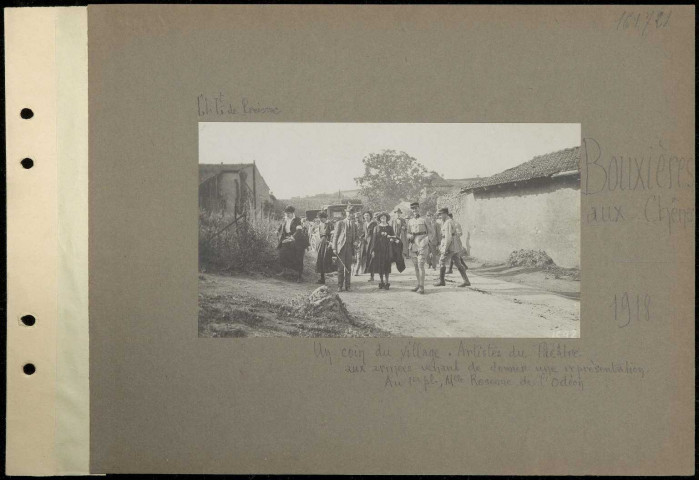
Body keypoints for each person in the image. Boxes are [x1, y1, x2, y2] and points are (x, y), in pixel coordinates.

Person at [434, 207, 470, 287]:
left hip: (450, 246)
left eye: (440, 214)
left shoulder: (448, 223)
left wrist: (444, 249)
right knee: (457, 263)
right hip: (454, 246)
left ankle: (442, 281)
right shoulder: (448, 221)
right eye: (439, 215)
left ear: (445, 214)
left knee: (442, 261)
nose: (439, 216)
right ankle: (466, 281)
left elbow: (448, 237)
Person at [407, 201, 435, 294]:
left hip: (422, 243)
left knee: (421, 265)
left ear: (419, 208)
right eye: (413, 209)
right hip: (413, 244)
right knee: (415, 266)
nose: (414, 210)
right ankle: (418, 284)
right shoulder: (410, 221)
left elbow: (431, 232)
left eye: (416, 208)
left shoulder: (425, 219)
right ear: (411, 210)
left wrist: (426, 241)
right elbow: (407, 232)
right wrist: (409, 236)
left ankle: (422, 287)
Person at [277, 205, 308, 282]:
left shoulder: (297, 220)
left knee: (298, 258)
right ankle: (284, 271)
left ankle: (299, 276)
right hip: (286, 239)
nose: (287, 215)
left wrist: (291, 238)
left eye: (289, 213)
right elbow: (281, 226)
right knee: (282, 253)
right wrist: (277, 230)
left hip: (296, 240)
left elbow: (299, 231)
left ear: (293, 213)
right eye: (286, 213)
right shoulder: (285, 219)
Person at [332, 205, 357, 291]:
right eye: (349, 212)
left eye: (352, 213)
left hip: (350, 248)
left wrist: (356, 242)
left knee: (348, 268)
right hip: (341, 247)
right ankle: (339, 286)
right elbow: (335, 236)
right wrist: (334, 248)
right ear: (346, 213)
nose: (350, 214)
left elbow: (356, 236)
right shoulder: (340, 223)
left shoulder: (354, 224)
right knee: (340, 268)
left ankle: (348, 286)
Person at [368, 212, 396, 290]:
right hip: (379, 249)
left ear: (387, 218)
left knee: (387, 265)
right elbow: (373, 240)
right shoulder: (376, 228)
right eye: (381, 217)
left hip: (387, 248)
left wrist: (390, 238)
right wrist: (372, 250)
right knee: (380, 265)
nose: (383, 218)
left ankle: (387, 282)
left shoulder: (390, 228)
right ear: (379, 219)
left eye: (384, 217)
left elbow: (394, 237)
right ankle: (381, 281)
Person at [314, 211, 334, 284]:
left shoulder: (330, 224)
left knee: (326, 259)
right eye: (320, 218)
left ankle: (337, 277)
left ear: (325, 217)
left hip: (327, 243)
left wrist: (330, 242)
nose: (321, 220)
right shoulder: (320, 225)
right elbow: (319, 235)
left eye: (322, 218)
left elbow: (333, 234)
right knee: (320, 259)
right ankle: (322, 278)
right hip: (321, 243)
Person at [362, 211, 378, 281]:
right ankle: (368, 273)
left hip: (372, 242)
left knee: (372, 258)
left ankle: (372, 276)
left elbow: (376, 234)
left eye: (367, 215)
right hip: (366, 243)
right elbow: (364, 233)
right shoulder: (364, 224)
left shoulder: (374, 223)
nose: (366, 217)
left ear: (370, 216)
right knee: (367, 258)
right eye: (365, 215)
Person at [353, 212, 365, 276]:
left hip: (362, 241)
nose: (357, 219)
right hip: (355, 242)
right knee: (356, 257)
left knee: (359, 257)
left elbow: (365, 232)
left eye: (358, 217)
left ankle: (357, 271)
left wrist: (361, 237)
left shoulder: (364, 224)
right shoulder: (353, 224)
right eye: (356, 217)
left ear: (361, 217)